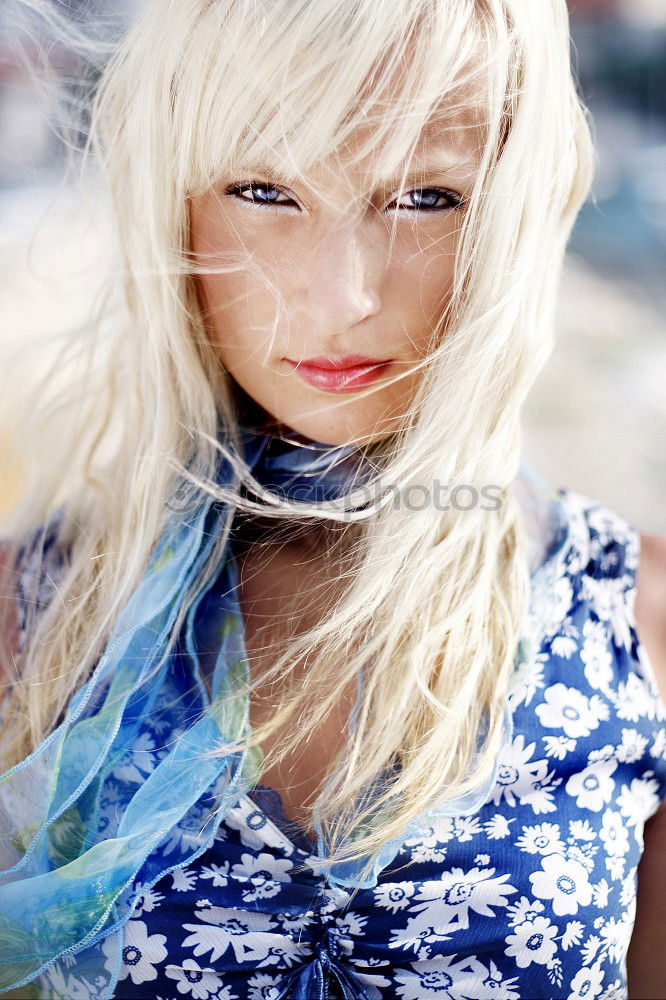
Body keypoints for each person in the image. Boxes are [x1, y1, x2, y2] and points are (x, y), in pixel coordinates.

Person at [0, 0, 665, 997]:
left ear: (516, 210)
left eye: (425, 199)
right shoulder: (34, 621)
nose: (342, 296)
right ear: (172, 203)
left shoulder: (639, 621)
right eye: (265, 190)